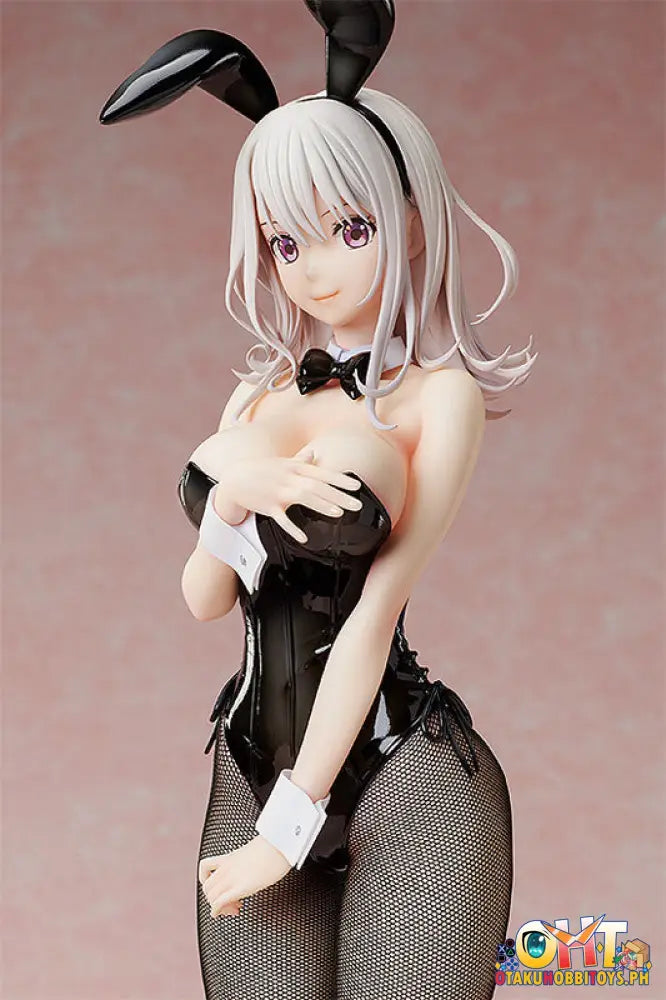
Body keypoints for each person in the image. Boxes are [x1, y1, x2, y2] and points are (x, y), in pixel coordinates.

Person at [100, 3, 536, 997]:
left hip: (405, 779)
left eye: (350, 229)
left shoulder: (438, 398)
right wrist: (229, 497)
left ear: (409, 220)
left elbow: (374, 615)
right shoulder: (254, 399)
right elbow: (205, 599)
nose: (318, 269)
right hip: (250, 765)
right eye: (287, 244)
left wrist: (288, 832)